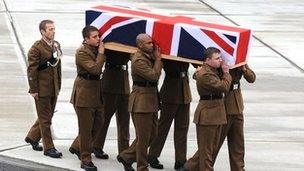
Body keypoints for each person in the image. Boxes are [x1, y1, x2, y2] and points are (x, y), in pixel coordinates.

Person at [181, 47, 232, 171]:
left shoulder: (210, 70)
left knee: (211, 148)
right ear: (208, 60)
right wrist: (226, 72)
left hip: (217, 113)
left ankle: (189, 167)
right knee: (207, 151)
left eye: (220, 57)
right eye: (217, 58)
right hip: (208, 115)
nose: (221, 60)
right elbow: (224, 87)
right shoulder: (206, 74)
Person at [117, 33, 163, 171]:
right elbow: (154, 76)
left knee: (152, 135)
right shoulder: (138, 60)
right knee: (143, 138)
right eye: (148, 43)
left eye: (151, 42)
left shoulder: (149, 56)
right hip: (141, 102)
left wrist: (156, 59)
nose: (152, 45)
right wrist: (158, 59)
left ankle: (127, 156)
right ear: (140, 45)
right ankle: (142, 167)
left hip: (152, 100)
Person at [69, 25, 105, 171]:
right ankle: (85, 160)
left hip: (96, 93)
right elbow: (95, 69)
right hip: (84, 94)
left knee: (99, 123)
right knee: (85, 129)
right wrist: (102, 53)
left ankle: (77, 146)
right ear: (86, 39)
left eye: (98, 36)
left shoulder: (95, 49)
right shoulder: (81, 52)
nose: (98, 39)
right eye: (95, 37)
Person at [25, 19, 62, 158]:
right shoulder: (36, 48)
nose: (53, 31)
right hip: (41, 89)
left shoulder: (55, 45)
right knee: (46, 119)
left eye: (53, 28)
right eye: (50, 29)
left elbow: (57, 67)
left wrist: (58, 84)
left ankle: (33, 137)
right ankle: (49, 148)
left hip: (53, 88)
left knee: (47, 116)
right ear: (42, 31)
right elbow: (32, 70)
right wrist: (33, 89)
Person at [148, 59, 191, 170]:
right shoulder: (171, 48)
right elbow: (167, 66)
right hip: (171, 91)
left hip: (184, 91)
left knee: (182, 128)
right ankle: (152, 155)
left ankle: (180, 160)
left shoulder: (187, 48)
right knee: (163, 126)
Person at [212, 64, 256, 171]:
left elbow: (252, 78)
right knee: (215, 142)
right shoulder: (219, 60)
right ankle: (195, 165)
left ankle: (238, 168)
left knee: (238, 142)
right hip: (224, 104)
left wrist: (244, 69)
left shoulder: (239, 61)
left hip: (237, 104)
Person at [93, 49, 131, 159]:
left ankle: (124, 152)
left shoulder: (129, 38)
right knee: (104, 118)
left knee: (124, 120)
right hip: (110, 82)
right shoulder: (111, 39)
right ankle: (97, 145)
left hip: (124, 82)